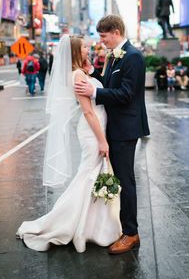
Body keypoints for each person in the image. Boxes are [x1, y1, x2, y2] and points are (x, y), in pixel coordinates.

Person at [16, 35, 121, 252]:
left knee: (93, 176)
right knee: (86, 176)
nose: (88, 48)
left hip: (96, 127)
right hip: (93, 131)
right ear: (75, 51)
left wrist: (90, 68)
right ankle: (66, 222)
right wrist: (102, 140)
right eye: (84, 47)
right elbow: (88, 111)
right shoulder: (77, 76)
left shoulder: (80, 72)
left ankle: (93, 226)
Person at [74, 15, 150, 254]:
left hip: (126, 128)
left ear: (115, 31)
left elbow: (126, 93)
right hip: (115, 126)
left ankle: (131, 233)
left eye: (104, 36)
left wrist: (93, 93)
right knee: (118, 177)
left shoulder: (133, 57)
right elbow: (109, 84)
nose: (101, 40)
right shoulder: (113, 55)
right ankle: (119, 226)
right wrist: (93, 74)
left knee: (125, 180)